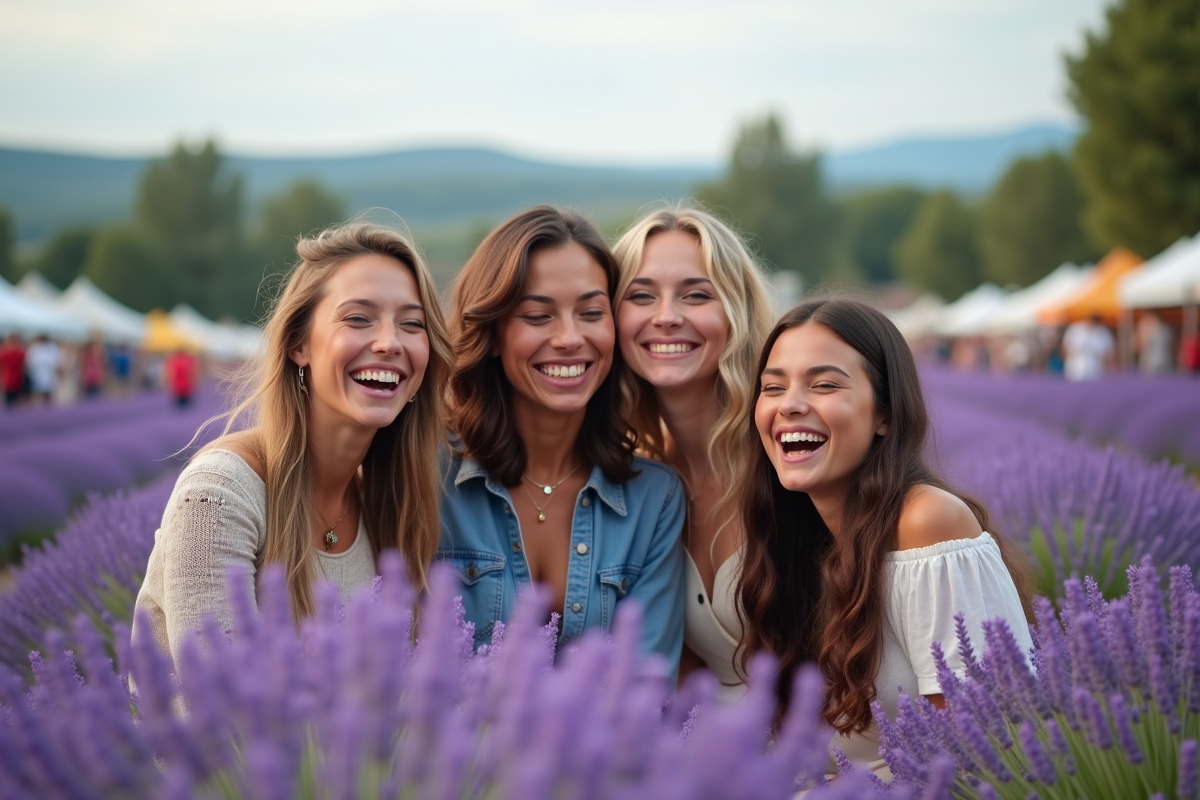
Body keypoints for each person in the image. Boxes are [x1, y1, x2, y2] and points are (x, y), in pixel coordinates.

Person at [133, 222, 452, 663]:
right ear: (299, 343)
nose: (389, 343)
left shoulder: (385, 503)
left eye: (412, 324)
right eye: (358, 318)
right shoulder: (219, 496)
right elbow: (218, 715)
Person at [737, 296, 1033, 771]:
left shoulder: (926, 524)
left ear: (885, 415)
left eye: (825, 384)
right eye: (773, 387)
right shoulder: (798, 538)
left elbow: (978, 758)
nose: (789, 405)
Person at [439, 205, 686, 671]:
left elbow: (643, 692)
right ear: (492, 334)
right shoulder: (427, 479)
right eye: (537, 316)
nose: (570, 338)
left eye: (592, 312)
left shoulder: (656, 500)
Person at [612, 206, 773, 698]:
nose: (666, 317)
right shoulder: (642, 480)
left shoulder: (788, 454)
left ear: (736, 312)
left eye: (696, 295)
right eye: (641, 296)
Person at [1061, 313, 1114, 380]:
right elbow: (1065, 348)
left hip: (1096, 369)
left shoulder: (1104, 333)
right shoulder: (1075, 329)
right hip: (1075, 368)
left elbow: (1109, 355)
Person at [24, 334, 62, 406]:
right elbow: (30, 360)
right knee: (38, 389)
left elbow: (57, 359)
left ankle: (47, 403)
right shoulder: (34, 347)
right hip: (37, 372)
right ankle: (41, 404)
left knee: (49, 389)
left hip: (49, 372)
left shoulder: (52, 347)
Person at [0, 333, 25, 407]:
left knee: (9, 401)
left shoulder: (4, 352)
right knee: (15, 400)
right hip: (15, 378)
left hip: (8, 378)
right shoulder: (21, 352)